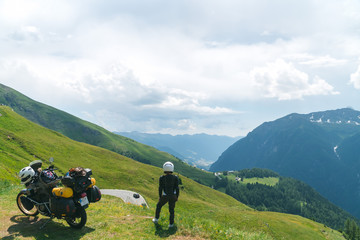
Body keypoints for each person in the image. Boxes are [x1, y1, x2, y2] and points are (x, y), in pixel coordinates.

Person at [152, 161, 179, 228]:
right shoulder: (175, 177)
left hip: (165, 195)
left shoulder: (162, 178)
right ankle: (171, 224)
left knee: (159, 206)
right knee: (171, 210)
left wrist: (160, 196)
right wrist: (177, 197)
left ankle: (156, 219)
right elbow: (177, 188)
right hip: (173, 196)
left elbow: (160, 188)